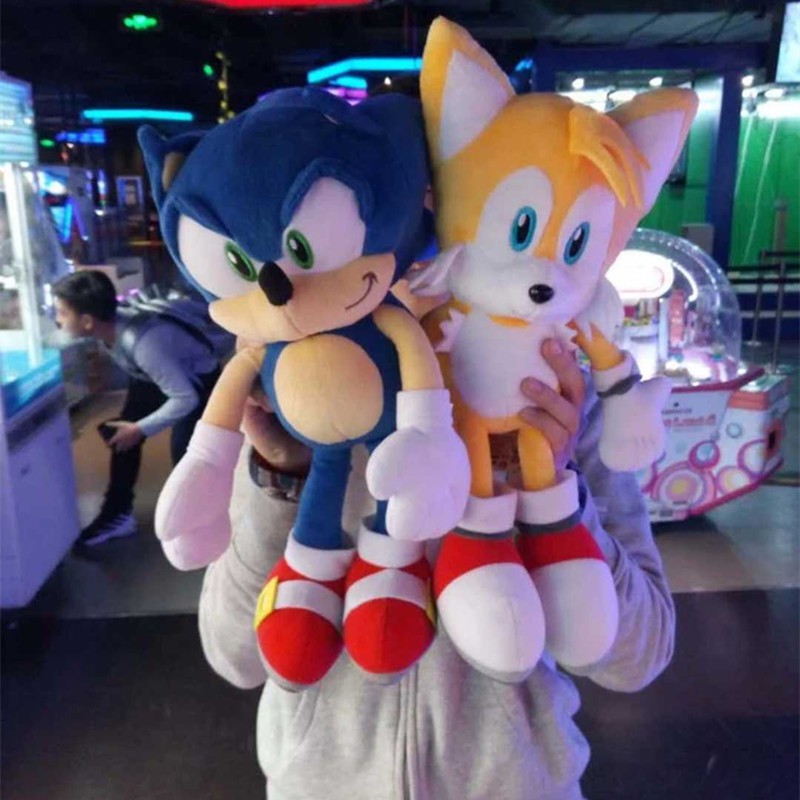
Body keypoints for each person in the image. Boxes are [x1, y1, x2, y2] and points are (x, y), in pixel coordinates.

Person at [197, 325, 675, 799]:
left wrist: (553, 492)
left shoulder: (556, 392)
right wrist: (282, 474)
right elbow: (235, 655)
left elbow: (639, 656)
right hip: (321, 785)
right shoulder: (299, 389)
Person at [53, 269, 222, 547]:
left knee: (185, 453)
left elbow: (186, 398)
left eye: (62, 313)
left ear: (87, 321)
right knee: (123, 436)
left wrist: (141, 428)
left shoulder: (144, 344)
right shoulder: (109, 327)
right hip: (153, 375)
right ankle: (117, 513)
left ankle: (200, 524)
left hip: (198, 381)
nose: (57, 320)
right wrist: (134, 428)